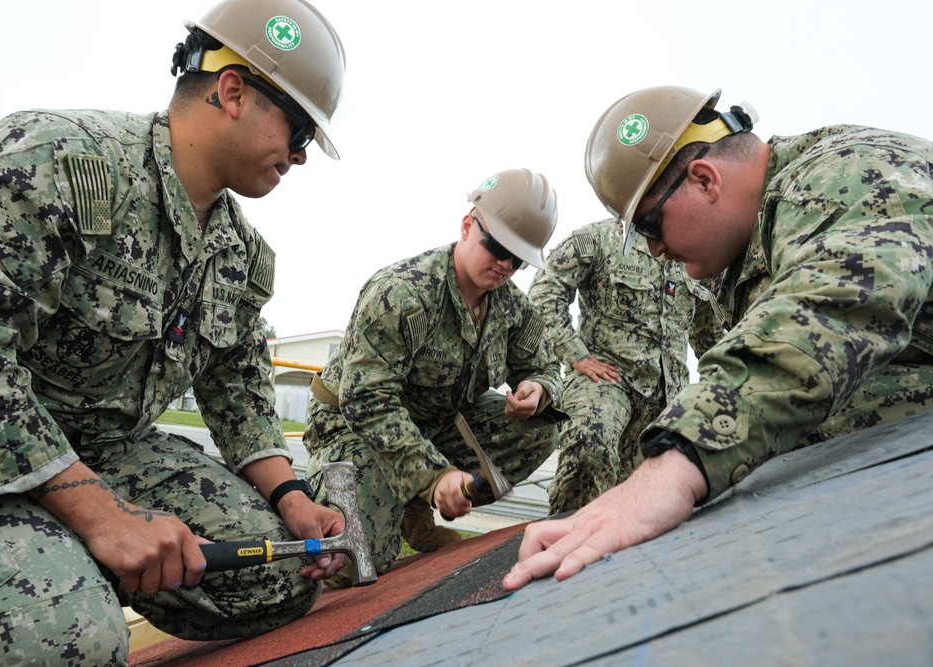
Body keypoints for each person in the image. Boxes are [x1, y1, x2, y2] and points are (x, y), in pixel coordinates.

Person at [0, 0, 348, 663]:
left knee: (280, 575)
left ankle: (57, 565)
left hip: (107, 452)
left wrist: (293, 497)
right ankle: (41, 585)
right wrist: (102, 516)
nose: (300, 156)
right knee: (65, 641)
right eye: (298, 129)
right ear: (233, 92)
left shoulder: (240, 256)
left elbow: (238, 394)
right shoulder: (59, 160)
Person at [504, 85, 933, 591]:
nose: (654, 250)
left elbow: (820, 321)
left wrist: (675, 468)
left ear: (705, 180)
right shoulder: (747, 246)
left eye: (650, 225)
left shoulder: (841, 176)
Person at [303, 169, 566, 586]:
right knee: (351, 564)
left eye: (517, 259)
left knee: (540, 428)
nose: (505, 264)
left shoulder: (512, 309)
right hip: (355, 427)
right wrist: (433, 477)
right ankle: (369, 498)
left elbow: (546, 366)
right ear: (467, 226)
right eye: (497, 247)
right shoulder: (402, 294)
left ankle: (411, 502)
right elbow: (367, 402)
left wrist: (538, 388)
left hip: (436, 425)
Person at [528, 219, 722, 515]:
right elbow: (544, 293)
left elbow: (709, 334)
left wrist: (726, 388)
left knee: (654, 499)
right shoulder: (599, 239)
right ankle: (565, 532)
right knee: (589, 447)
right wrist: (575, 353)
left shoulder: (695, 252)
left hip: (667, 397)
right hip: (605, 380)